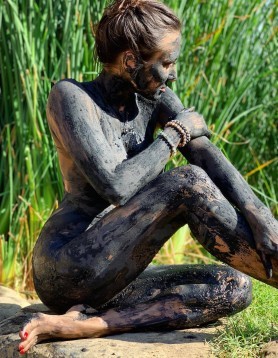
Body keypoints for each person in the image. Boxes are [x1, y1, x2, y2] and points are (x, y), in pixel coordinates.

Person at [18, 0, 277, 354]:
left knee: (231, 286)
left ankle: (87, 325)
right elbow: (115, 186)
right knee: (187, 182)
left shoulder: (154, 96)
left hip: (119, 276)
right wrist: (173, 136)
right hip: (68, 265)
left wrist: (263, 219)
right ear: (130, 62)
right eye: (167, 62)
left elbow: (207, 154)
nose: (174, 73)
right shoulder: (71, 97)